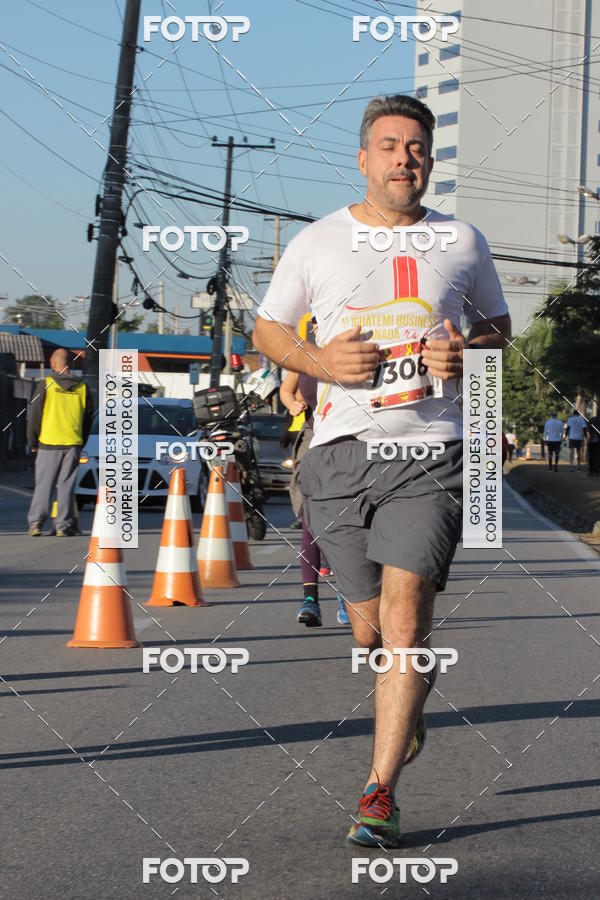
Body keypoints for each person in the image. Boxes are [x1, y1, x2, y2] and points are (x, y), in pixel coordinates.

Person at [253, 93, 511, 848]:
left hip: (431, 452)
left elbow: (496, 325)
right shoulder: (318, 243)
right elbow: (269, 327)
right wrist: (317, 359)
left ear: (430, 161)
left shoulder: (463, 241)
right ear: (364, 159)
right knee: (370, 632)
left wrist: (470, 354)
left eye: (418, 149)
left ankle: (379, 790)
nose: (406, 159)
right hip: (337, 457)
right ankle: (409, 708)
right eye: (391, 146)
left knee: (406, 617)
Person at [280, 362, 349, 627]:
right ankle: (310, 600)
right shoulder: (302, 356)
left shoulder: (352, 351)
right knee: (310, 520)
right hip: (312, 438)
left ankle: (347, 595)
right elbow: (286, 390)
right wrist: (291, 405)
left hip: (347, 442)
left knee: (341, 522)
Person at [27, 348, 93, 536]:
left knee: (43, 485)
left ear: (53, 362)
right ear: (69, 364)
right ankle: (63, 525)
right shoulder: (83, 387)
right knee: (66, 485)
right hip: (73, 443)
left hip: (48, 443)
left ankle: (36, 523)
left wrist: (32, 440)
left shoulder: (45, 385)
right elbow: (88, 419)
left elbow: (34, 415)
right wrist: (81, 442)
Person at [587, 412, 600, 476]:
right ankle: (596, 470)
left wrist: (588, 440)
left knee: (591, 456)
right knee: (598, 456)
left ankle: (591, 470)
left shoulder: (592, 420)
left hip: (592, 440)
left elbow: (588, 431)